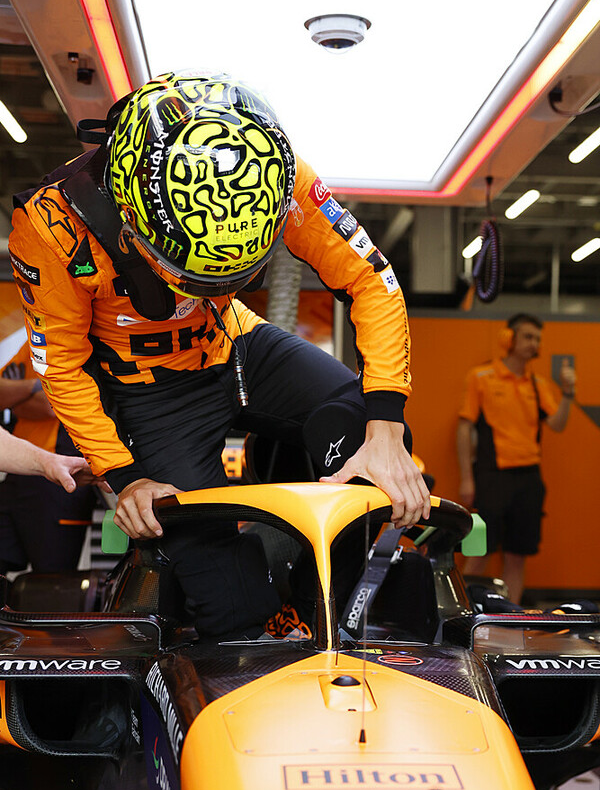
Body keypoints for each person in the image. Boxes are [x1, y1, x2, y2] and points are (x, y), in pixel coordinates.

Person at [8, 70, 429, 640]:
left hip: (239, 344)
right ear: (131, 215)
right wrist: (125, 477)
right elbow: (60, 363)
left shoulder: (273, 170)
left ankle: (311, 601)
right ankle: (251, 594)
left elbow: (372, 279)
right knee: (229, 607)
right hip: (148, 389)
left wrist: (385, 432)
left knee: (372, 437)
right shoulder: (51, 226)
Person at [456, 313, 576, 604]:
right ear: (508, 338)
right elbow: (464, 427)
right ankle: (465, 613)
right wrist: (467, 479)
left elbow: (557, 424)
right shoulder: (481, 377)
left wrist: (568, 392)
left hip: (529, 479)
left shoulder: (537, 384)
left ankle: (509, 617)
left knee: (517, 555)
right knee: (478, 551)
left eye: (537, 338)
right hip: (491, 477)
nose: (533, 343)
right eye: (527, 336)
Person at [0, 342, 99, 574]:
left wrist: (16, 395)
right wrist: (34, 386)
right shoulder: (35, 341)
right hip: (16, 470)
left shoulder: (92, 343)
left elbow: (49, 405)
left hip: (64, 475)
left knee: (53, 579)